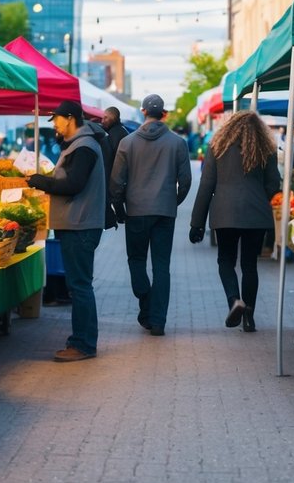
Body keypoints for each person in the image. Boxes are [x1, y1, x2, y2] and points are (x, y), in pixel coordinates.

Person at [188, 110, 282, 333]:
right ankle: (249, 317)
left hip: (225, 212)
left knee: (226, 261)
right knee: (250, 265)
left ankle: (234, 301)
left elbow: (206, 185)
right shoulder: (266, 149)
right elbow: (273, 184)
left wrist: (196, 222)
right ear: (259, 129)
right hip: (256, 213)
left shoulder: (217, 146)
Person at [28, 100, 106, 362]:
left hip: (80, 224)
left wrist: (42, 182)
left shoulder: (84, 147)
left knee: (80, 286)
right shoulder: (77, 145)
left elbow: (74, 184)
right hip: (75, 223)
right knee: (79, 285)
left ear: (70, 118)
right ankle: (81, 340)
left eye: (57, 120)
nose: (56, 125)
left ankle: (83, 344)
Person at [109, 94, 192, 336]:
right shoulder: (178, 143)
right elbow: (185, 182)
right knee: (162, 267)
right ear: (163, 114)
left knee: (136, 260)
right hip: (164, 213)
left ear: (143, 112)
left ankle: (145, 297)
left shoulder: (128, 143)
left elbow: (116, 181)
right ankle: (157, 321)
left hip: (136, 211)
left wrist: (120, 207)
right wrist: (172, 202)